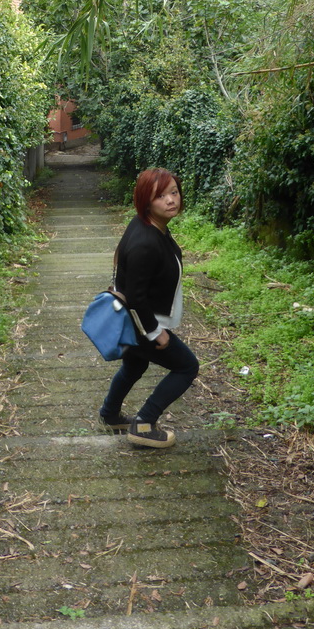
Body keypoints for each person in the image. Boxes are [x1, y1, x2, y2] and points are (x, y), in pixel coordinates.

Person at [99, 168, 199, 448]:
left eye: (174, 192)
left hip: (136, 321)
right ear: (146, 201)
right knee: (187, 366)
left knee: (134, 365)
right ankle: (143, 425)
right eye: (161, 196)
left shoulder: (147, 225)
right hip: (143, 322)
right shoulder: (146, 242)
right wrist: (156, 333)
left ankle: (109, 414)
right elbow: (136, 296)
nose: (171, 200)